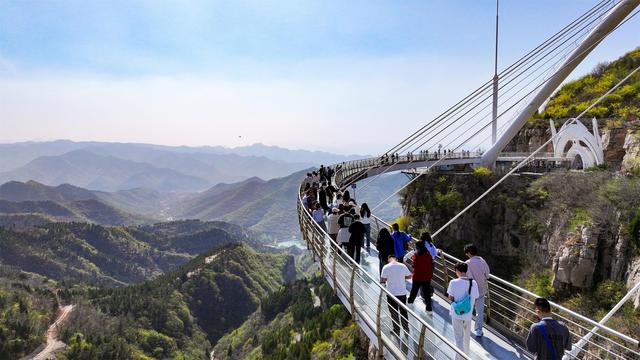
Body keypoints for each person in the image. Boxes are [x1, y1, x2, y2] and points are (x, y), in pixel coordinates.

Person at [447, 262, 479, 359]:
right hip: (468, 315)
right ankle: (466, 356)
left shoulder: (453, 282)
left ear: (458, 271)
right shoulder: (473, 283)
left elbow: (450, 297)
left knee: (458, 337)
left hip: (457, 314)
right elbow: (476, 297)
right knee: (466, 336)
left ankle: (459, 358)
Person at [380, 255, 412, 338]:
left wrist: (386, 281)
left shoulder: (386, 267)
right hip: (402, 293)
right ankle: (406, 328)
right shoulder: (402, 265)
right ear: (396, 259)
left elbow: (382, 281)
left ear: (388, 260)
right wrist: (401, 277)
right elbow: (409, 276)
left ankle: (396, 330)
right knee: (403, 312)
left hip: (391, 294)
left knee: (394, 312)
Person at [464, 244, 491, 337]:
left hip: (471, 290)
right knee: (479, 311)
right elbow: (487, 275)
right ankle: (478, 330)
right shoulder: (483, 261)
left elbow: (468, 277)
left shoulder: (467, 263)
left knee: (468, 309)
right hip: (482, 290)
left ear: (468, 253)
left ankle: (465, 327)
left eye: (466, 253)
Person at [407, 240, 433, 312]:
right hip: (426, 277)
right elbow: (431, 265)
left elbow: (414, 265)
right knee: (427, 293)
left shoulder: (416, 255)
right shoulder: (428, 255)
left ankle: (410, 302)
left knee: (414, 291)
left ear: (417, 247)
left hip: (417, 277)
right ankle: (429, 309)